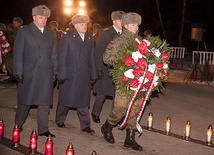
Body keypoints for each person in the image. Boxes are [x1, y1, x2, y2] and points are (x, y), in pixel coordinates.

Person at [13, 4, 58, 138]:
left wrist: (56, 70)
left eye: (45, 18)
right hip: (29, 71)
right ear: (34, 17)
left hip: (46, 71)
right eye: (41, 17)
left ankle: (43, 129)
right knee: (25, 100)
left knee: (44, 102)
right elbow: (18, 52)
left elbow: (54, 54)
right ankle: (18, 123)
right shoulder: (25, 31)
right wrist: (18, 71)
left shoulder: (51, 33)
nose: (44, 20)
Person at [101, 12, 143, 151]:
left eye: (137, 24)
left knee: (134, 108)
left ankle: (130, 139)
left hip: (138, 80)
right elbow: (106, 58)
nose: (136, 27)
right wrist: (123, 62)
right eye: (133, 24)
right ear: (125, 25)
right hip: (124, 79)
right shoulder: (118, 41)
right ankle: (108, 125)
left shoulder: (140, 41)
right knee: (121, 107)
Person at [55, 14, 97, 133]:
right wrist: (61, 74)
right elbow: (62, 56)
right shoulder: (68, 36)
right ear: (76, 25)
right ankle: (60, 119)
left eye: (86, 24)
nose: (85, 26)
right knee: (65, 99)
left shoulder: (89, 38)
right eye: (82, 24)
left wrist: (93, 74)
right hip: (69, 74)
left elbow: (91, 57)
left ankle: (85, 125)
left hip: (84, 75)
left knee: (83, 101)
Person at [91, 10, 125, 123]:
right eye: (120, 20)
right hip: (106, 69)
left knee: (118, 95)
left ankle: (114, 117)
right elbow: (99, 51)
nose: (122, 22)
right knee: (102, 94)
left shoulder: (125, 33)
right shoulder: (106, 33)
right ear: (114, 21)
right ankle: (95, 113)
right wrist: (98, 68)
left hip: (119, 70)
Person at [4, 17, 23, 83]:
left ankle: (15, 77)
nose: (13, 22)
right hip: (10, 48)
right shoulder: (11, 30)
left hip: (16, 49)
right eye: (14, 21)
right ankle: (12, 76)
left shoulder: (20, 30)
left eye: (15, 21)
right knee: (9, 63)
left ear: (19, 23)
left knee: (14, 63)